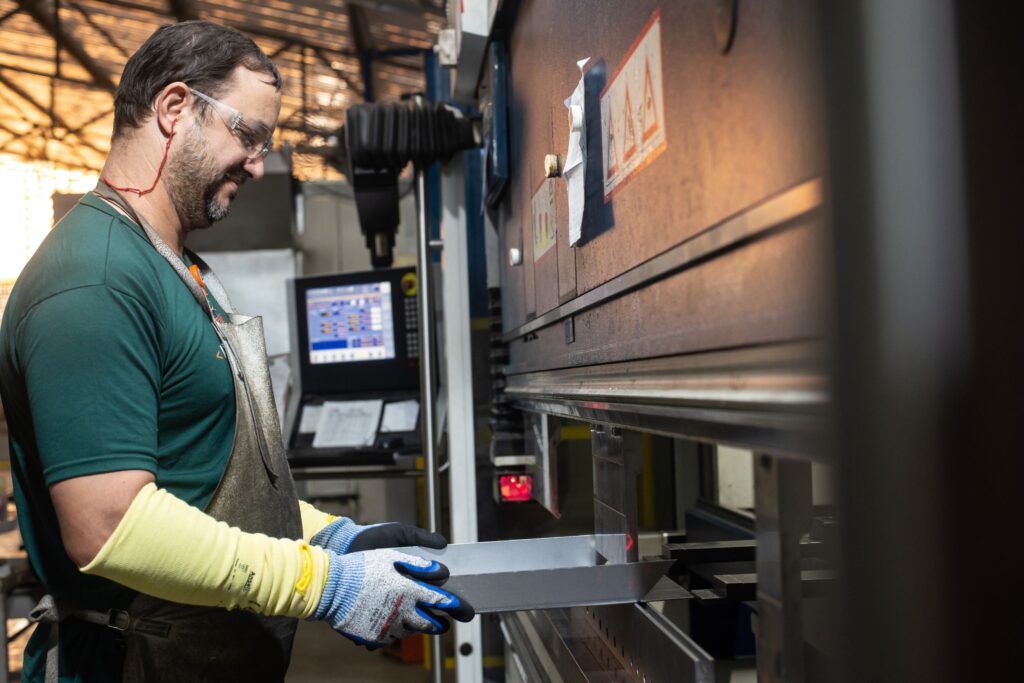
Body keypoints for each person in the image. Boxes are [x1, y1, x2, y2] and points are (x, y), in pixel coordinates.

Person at [0, 20, 472, 683]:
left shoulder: (176, 268)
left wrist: (328, 537)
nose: (258, 163)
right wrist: (322, 582)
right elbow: (111, 525)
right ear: (173, 109)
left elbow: (206, 484)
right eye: (246, 135)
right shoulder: (96, 279)